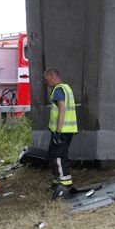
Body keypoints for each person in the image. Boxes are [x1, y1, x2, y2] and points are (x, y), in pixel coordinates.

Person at [42, 68, 78, 200]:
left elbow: (62, 111)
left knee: (58, 156)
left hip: (61, 131)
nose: (46, 83)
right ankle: (57, 182)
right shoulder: (66, 88)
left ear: (52, 77)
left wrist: (57, 131)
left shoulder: (58, 90)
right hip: (66, 130)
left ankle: (65, 184)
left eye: (46, 79)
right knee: (53, 154)